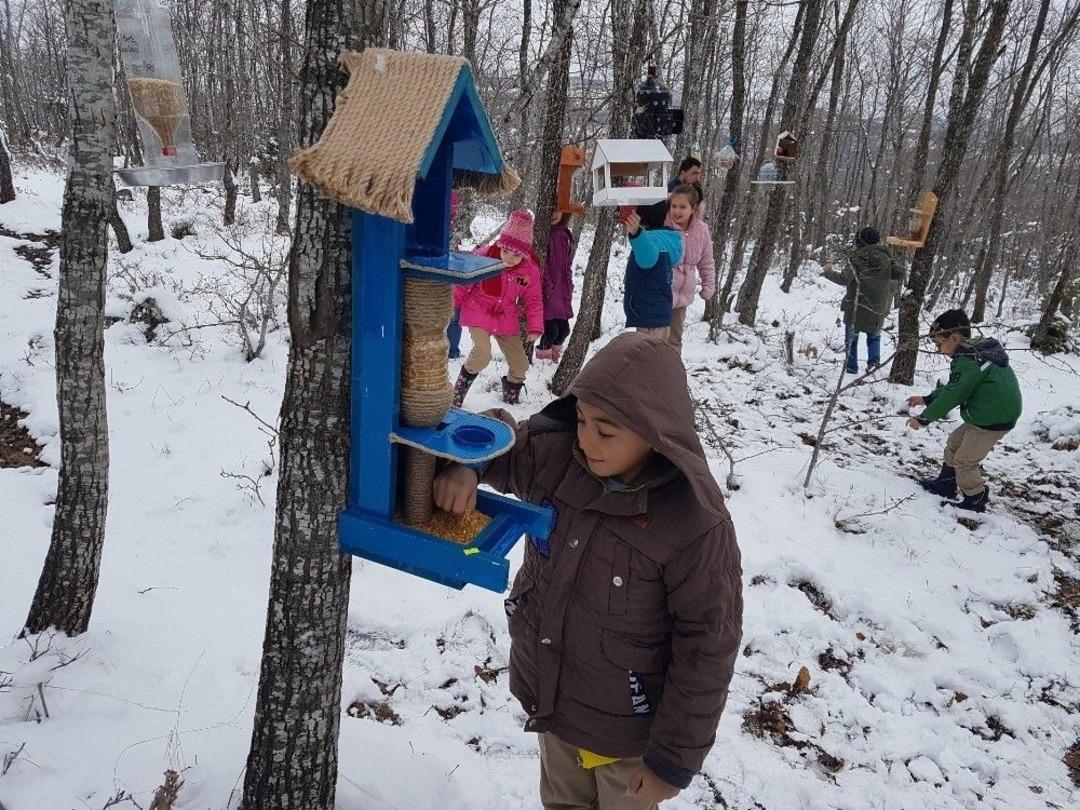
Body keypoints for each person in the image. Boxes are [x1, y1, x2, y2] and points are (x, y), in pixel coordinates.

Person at [433, 332, 743, 810]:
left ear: (654, 431)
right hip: (553, 704)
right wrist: (467, 466)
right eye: (581, 419)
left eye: (606, 430)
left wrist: (671, 763)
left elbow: (708, 645)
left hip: (627, 733)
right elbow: (499, 436)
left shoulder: (693, 525)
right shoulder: (560, 458)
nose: (586, 439)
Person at [907, 309, 1023, 513]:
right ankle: (947, 484)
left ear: (954, 338)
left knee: (965, 461)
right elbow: (955, 386)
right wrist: (927, 399)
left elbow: (954, 395)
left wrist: (924, 419)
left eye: (939, 344)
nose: (938, 350)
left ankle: (975, 498)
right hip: (986, 413)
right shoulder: (974, 353)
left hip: (992, 419)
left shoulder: (970, 361)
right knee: (954, 442)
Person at [453, 210, 543, 406]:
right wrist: (450, 306)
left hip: (506, 318)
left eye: (516, 254)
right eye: (505, 251)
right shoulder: (483, 257)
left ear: (525, 253)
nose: (509, 258)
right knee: (482, 354)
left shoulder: (530, 271)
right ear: (499, 245)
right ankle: (457, 394)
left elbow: (534, 300)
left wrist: (535, 327)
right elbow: (462, 284)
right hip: (479, 310)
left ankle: (510, 399)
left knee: (521, 364)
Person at [822, 226, 903, 374]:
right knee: (874, 337)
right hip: (878, 306)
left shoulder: (856, 258)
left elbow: (844, 279)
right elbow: (899, 274)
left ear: (860, 241)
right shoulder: (886, 258)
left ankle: (851, 367)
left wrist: (828, 272)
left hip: (856, 305)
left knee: (851, 340)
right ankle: (873, 365)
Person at [622, 200, 684, 341]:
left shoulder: (651, 241)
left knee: (647, 359)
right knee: (656, 357)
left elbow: (647, 258)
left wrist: (637, 234)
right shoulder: (667, 239)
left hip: (649, 317)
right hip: (658, 313)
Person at [665, 184, 715, 352]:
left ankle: (672, 375)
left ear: (693, 209)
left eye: (682, 207)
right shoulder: (664, 224)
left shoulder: (701, 230)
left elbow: (707, 261)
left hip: (683, 295)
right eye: (673, 206)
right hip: (662, 291)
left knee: (674, 339)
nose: (676, 211)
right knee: (654, 339)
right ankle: (651, 375)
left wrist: (708, 286)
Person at [537, 211, 576, 364]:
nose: (553, 214)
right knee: (551, 330)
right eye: (550, 209)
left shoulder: (565, 235)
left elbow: (567, 264)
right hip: (549, 290)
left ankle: (552, 358)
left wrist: (569, 285)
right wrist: (547, 285)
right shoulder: (545, 234)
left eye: (557, 210)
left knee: (565, 330)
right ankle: (543, 362)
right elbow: (542, 264)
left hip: (562, 290)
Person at [447, 190, 464, 358]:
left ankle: (452, 350)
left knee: (455, 318)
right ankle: (451, 350)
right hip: (446, 280)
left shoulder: (450, 229)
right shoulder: (445, 229)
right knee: (453, 318)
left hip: (453, 281)